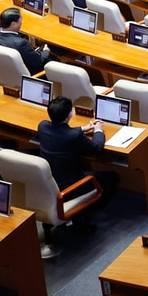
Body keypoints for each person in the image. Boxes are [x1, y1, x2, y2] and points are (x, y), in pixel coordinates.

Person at [38, 96, 118, 228]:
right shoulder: (74, 136)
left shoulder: (43, 126)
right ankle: (84, 212)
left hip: (50, 181)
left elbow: (63, 132)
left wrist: (83, 128)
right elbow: (97, 148)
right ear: (70, 113)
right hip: (70, 186)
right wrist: (98, 130)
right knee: (112, 178)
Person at [0, 7, 50, 74]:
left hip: (7, 72)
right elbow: (38, 61)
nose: (21, 23)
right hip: (30, 73)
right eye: (20, 20)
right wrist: (46, 51)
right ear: (13, 24)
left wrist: (31, 52)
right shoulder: (21, 43)